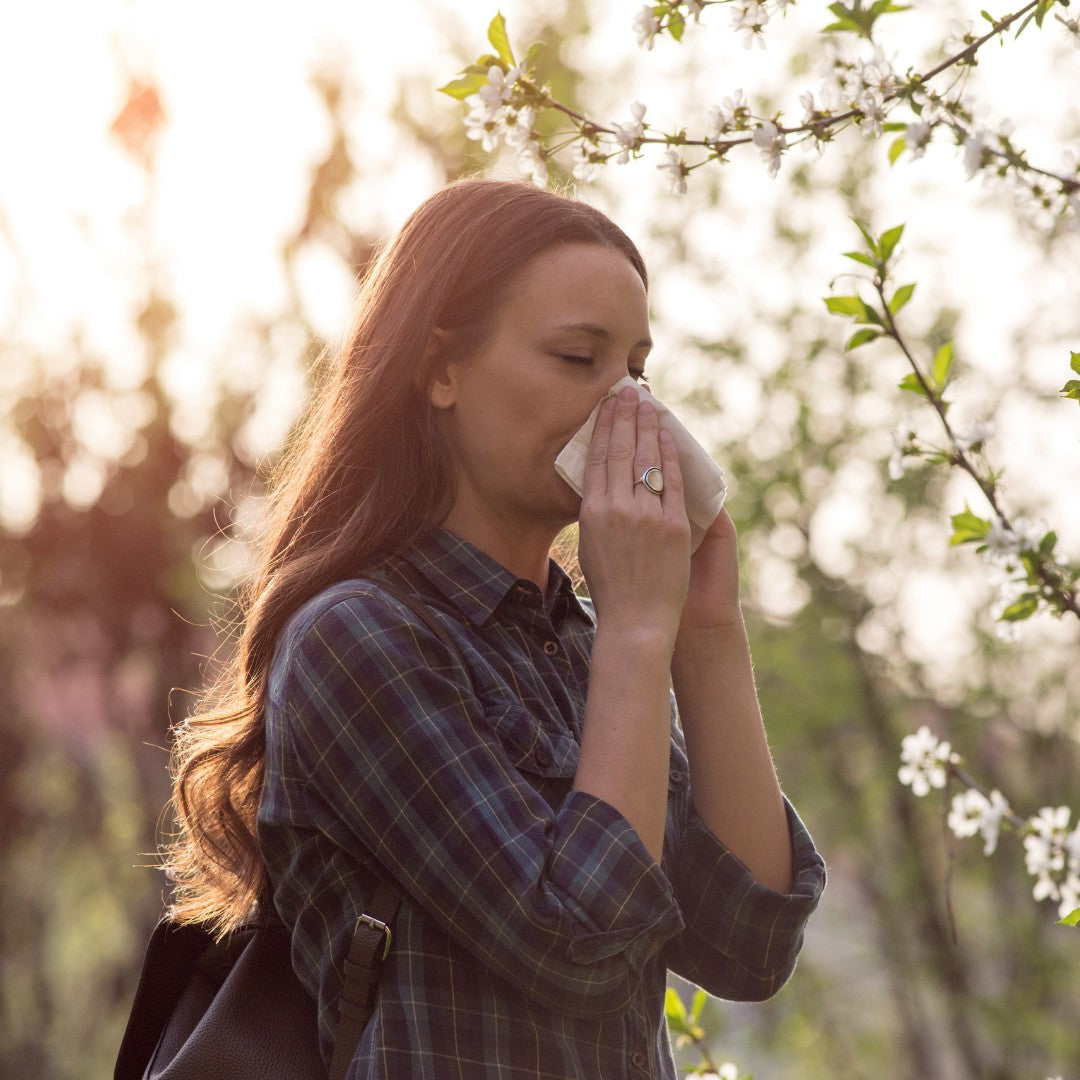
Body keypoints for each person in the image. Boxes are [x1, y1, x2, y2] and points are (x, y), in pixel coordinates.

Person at [164, 178, 825, 1079]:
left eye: (636, 368)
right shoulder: (359, 641)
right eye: (577, 358)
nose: (626, 408)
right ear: (441, 368)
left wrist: (706, 636)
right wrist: (638, 633)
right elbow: (578, 945)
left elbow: (749, 944)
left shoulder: (589, 644)